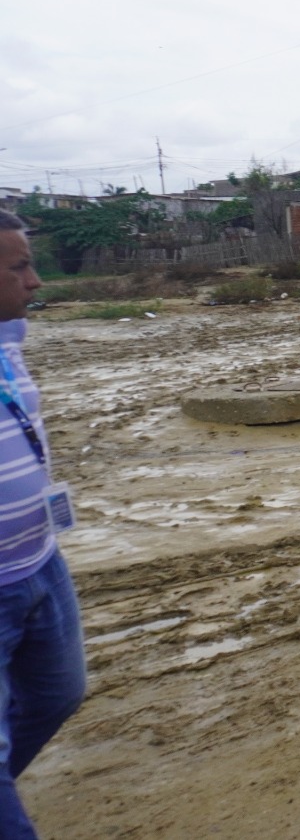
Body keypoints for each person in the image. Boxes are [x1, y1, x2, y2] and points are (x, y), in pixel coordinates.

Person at [0, 210, 83, 839]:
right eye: (20, 267)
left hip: (42, 562)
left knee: (58, 696)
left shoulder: (8, 342)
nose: (36, 281)